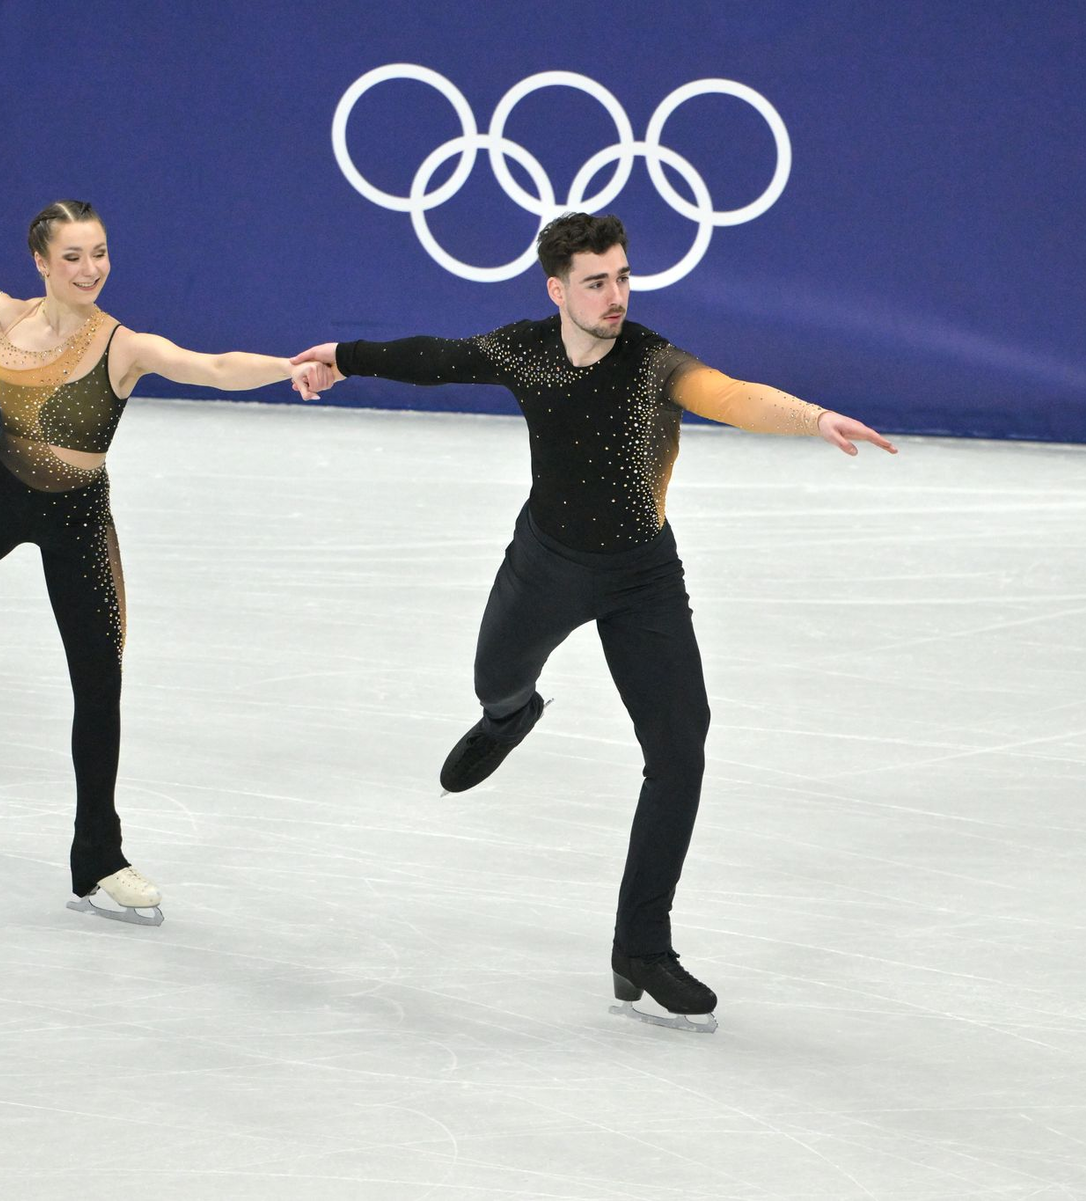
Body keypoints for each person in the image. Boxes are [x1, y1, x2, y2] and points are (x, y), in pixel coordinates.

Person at [290, 211, 896, 1030]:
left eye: (622, 277)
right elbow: (436, 358)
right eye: (596, 282)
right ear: (557, 289)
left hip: (642, 576)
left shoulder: (651, 362)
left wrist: (810, 417)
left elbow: (728, 395)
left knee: (680, 751)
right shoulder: (525, 350)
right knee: (493, 679)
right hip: (545, 565)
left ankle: (641, 945)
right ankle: (513, 713)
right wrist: (344, 356)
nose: (616, 295)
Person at [0, 199, 331, 925]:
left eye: (99, 253)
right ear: (41, 262)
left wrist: (289, 367)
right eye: (73, 256)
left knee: (99, 689)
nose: (90, 269)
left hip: (78, 524)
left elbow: (212, 366)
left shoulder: (120, 345)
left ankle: (99, 855)